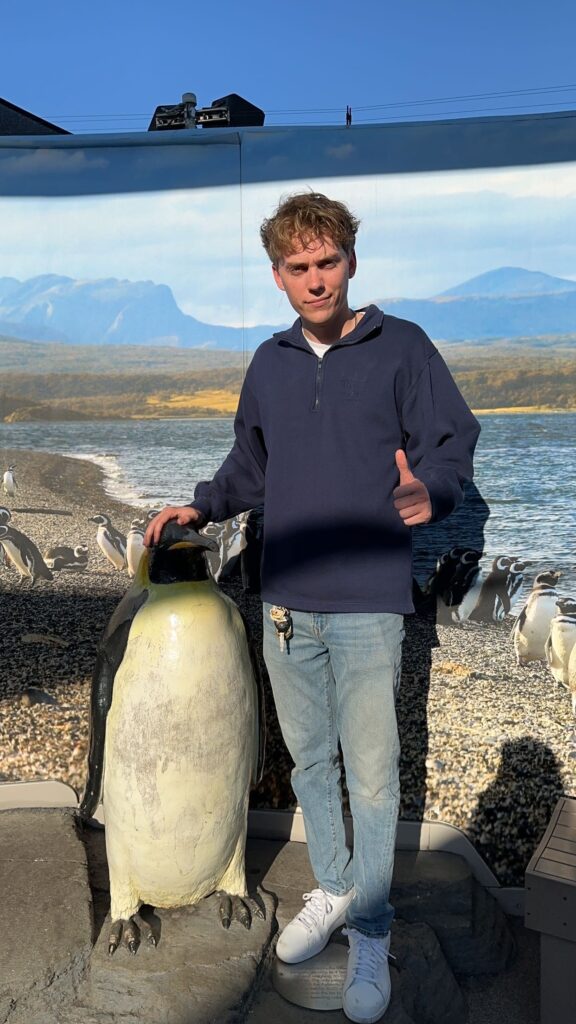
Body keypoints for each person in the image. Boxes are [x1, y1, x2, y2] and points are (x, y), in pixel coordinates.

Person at [145, 192, 480, 1023]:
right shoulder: (269, 363)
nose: (315, 279)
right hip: (286, 601)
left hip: (369, 600)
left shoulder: (402, 347)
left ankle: (370, 927)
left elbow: (451, 442)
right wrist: (201, 508)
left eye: (327, 262)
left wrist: (428, 492)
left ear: (351, 262)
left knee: (372, 774)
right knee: (311, 766)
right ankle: (330, 887)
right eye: (298, 267)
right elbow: (249, 468)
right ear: (278, 276)